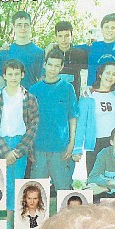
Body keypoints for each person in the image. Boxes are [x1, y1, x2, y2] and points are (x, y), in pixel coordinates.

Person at [0, 59, 39, 211]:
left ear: (22, 75)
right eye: (10, 74)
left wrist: (17, 151)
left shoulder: (29, 99)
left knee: (16, 185)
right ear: (4, 76)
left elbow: (33, 126)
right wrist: (4, 152)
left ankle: (11, 222)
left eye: (16, 74)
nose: (13, 77)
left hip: (19, 145)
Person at [30, 50, 78, 191]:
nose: (53, 69)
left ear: (61, 67)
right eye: (50, 64)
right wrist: (29, 145)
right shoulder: (34, 89)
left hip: (60, 148)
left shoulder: (67, 88)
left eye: (57, 66)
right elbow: (29, 120)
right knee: (37, 191)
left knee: (63, 190)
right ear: (44, 65)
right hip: (39, 148)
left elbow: (73, 116)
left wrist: (72, 142)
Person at [74, 62, 115, 174]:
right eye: (107, 73)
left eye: (114, 74)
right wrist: (77, 148)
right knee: (94, 178)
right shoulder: (88, 95)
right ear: (100, 74)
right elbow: (81, 124)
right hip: (95, 143)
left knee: (113, 178)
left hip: (114, 143)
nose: (110, 77)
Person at [0, 11, 44, 91]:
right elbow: (1, 81)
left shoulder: (39, 53)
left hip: (30, 96)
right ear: (13, 27)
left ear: (30, 26)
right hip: (9, 97)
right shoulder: (5, 52)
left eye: (26, 25)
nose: (23, 28)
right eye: (19, 25)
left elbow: (41, 80)